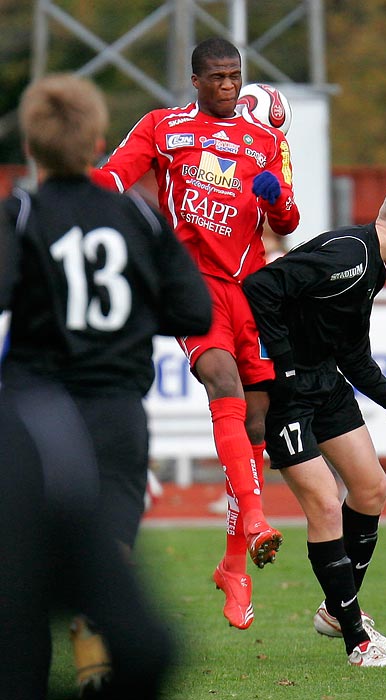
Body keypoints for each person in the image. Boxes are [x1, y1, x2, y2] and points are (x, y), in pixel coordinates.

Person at [0, 72, 212, 697]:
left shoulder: (24, 211)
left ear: (31, 147)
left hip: (38, 420)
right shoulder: (137, 215)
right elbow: (194, 313)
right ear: (97, 141)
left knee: (21, 584)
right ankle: (100, 645)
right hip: (119, 418)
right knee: (106, 558)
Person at [92, 37, 300, 630]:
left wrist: (275, 196)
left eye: (235, 76)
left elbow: (287, 219)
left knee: (258, 420)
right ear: (195, 80)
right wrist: (71, 188)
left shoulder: (267, 140)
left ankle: (234, 566)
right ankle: (256, 518)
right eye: (217, 77)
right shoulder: (164, 127)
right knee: (221, 378)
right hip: (193, 284)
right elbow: (114, 177)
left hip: (252, 288)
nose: (229, 86)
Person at [243, 179, 386, 667]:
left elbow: (353, 354)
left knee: (372, 487)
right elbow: (259, 287)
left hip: (324, 383)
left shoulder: (372, 269)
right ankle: (356, 639)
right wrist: (285, 367)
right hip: (285, 391)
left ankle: (338, 612)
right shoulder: (346, 257)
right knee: (325, 505)